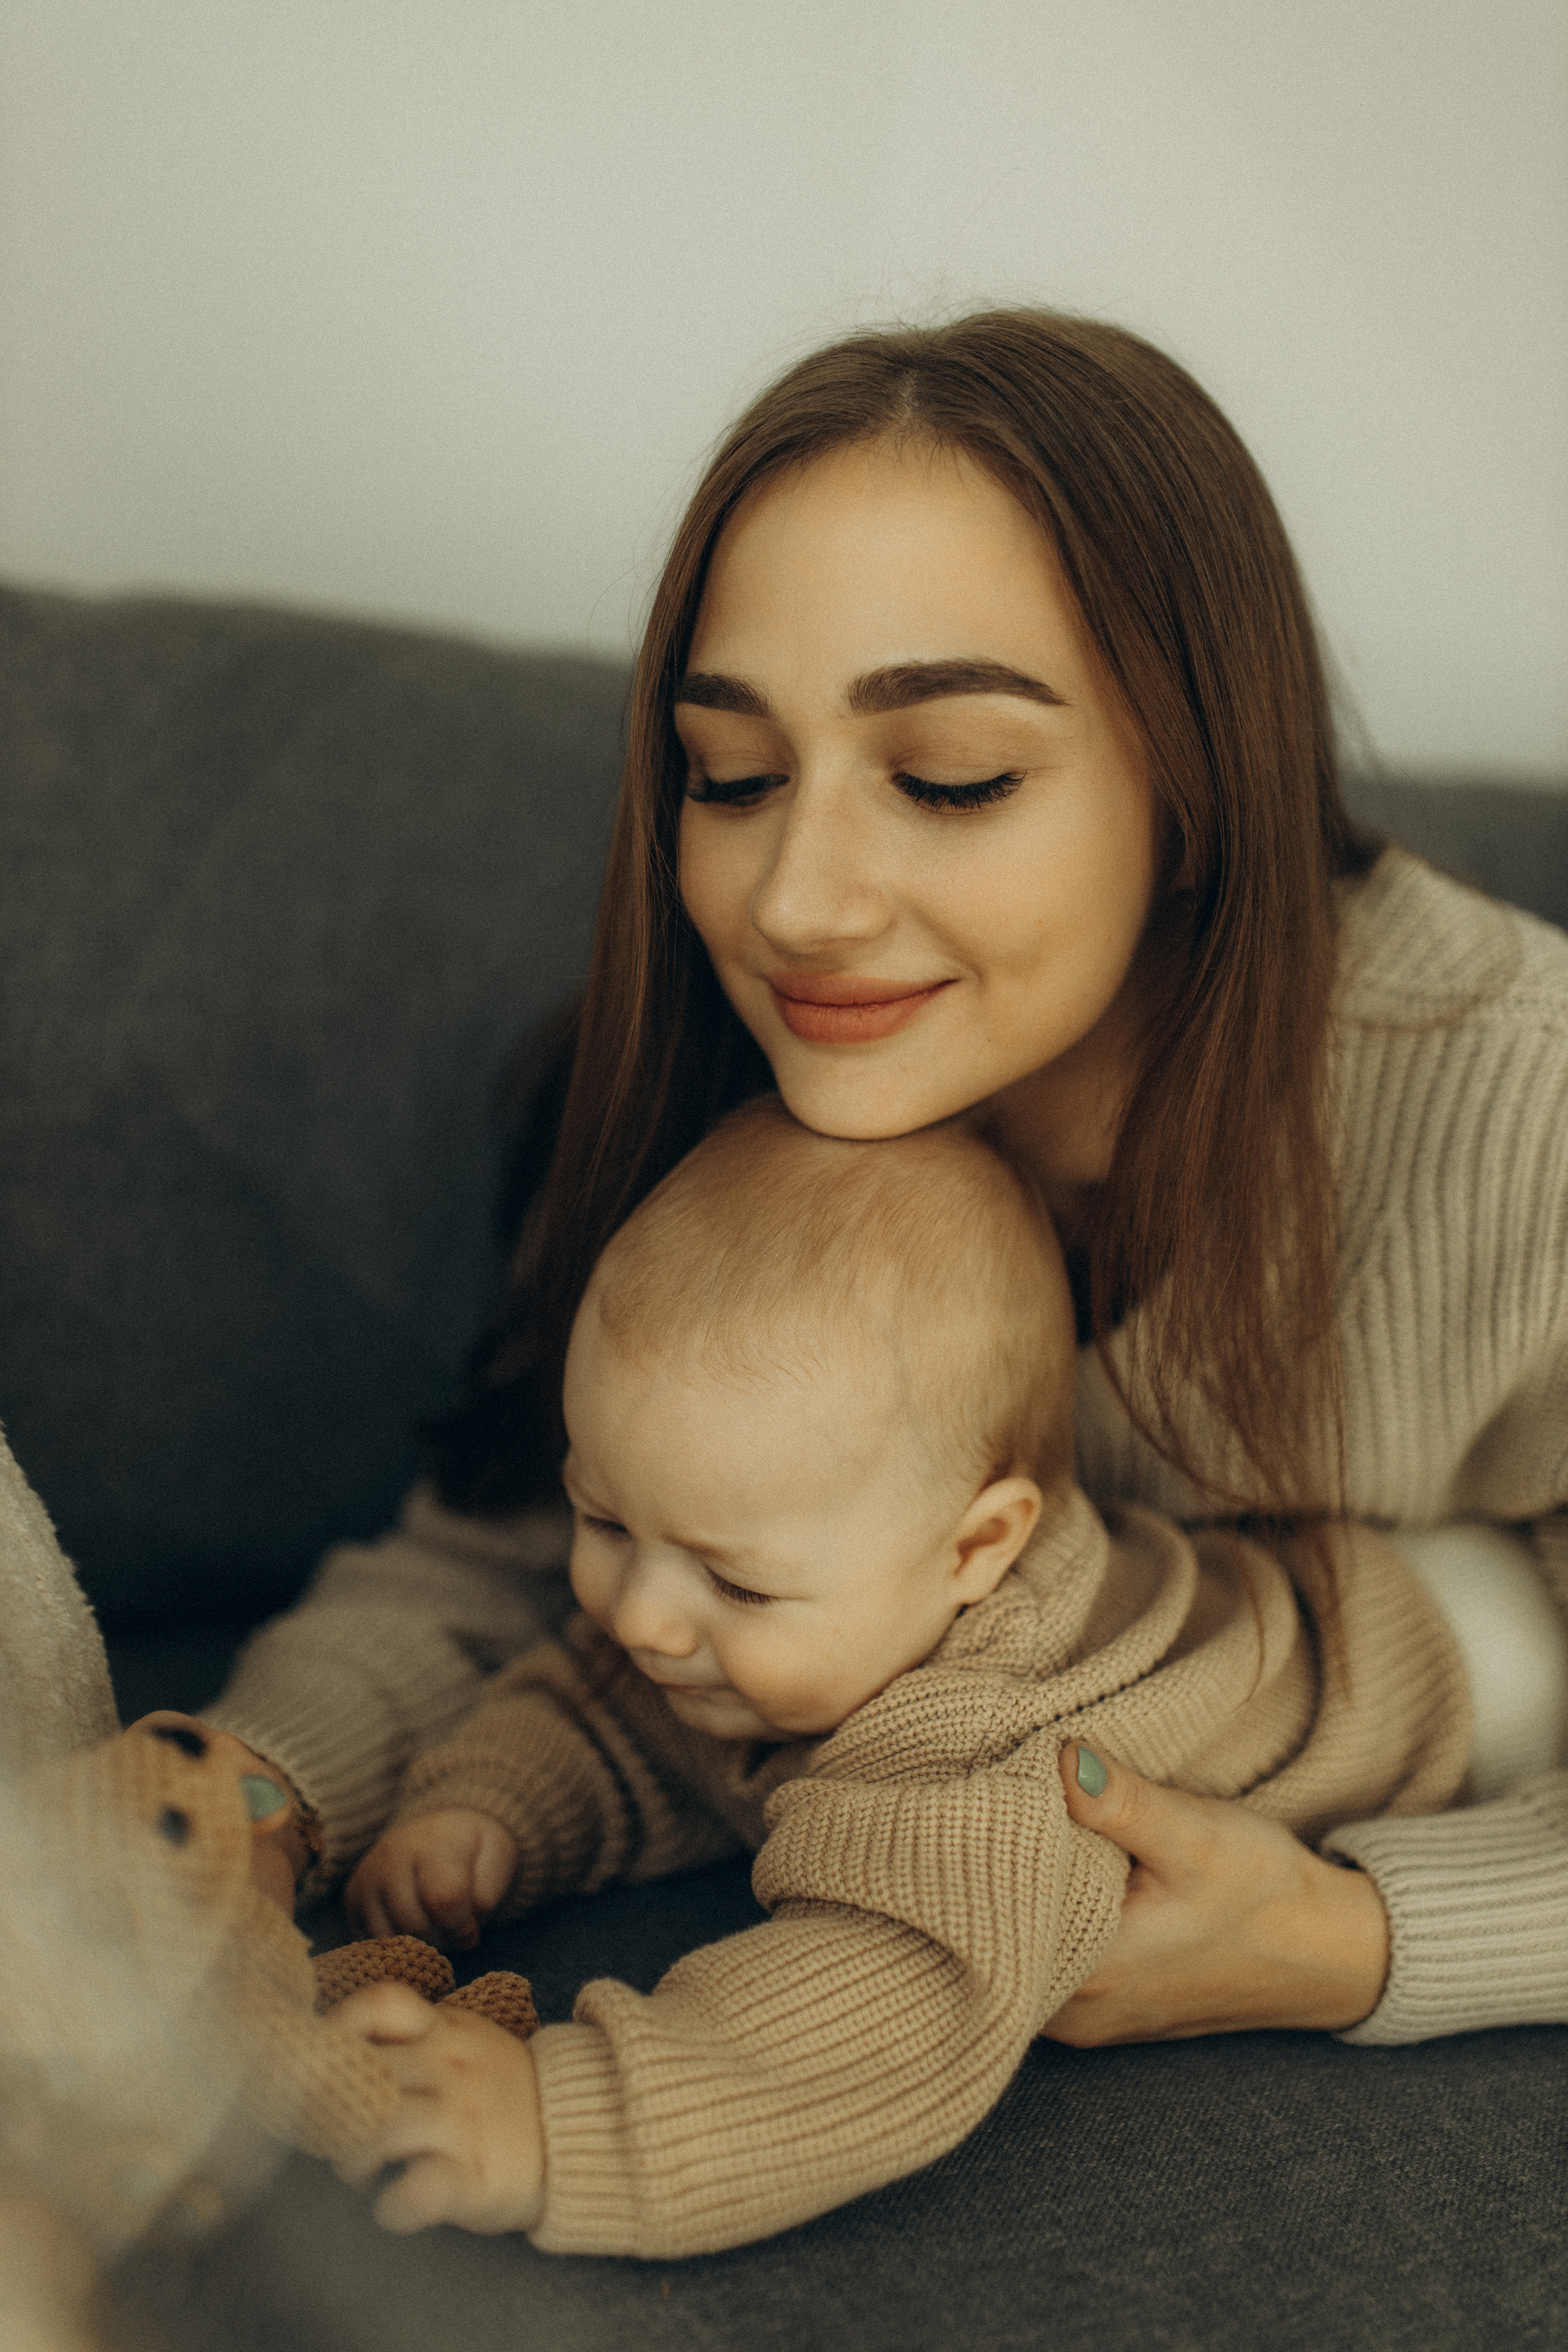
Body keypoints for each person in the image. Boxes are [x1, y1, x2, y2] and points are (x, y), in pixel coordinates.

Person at [200, 307, 1568, 2095]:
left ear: (1199, 776)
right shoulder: (728, 1060)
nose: (799, 901)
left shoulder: (1524, 1110)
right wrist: (235, 1793)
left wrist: (1348, 1940)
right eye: (734, 777)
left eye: (949, 779)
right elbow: (513, 1536)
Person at [326, 1096, 1468, 2256]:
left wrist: (555, 2121)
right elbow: (616, 1711)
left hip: (1434, 1671)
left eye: (741, 1586)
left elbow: (885, 2009)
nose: (643, 1617)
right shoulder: (773, 1608)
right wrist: (493, 1808)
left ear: (977, 1549)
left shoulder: (985, 1751)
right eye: (602, 1519)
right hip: (1272, 1588)